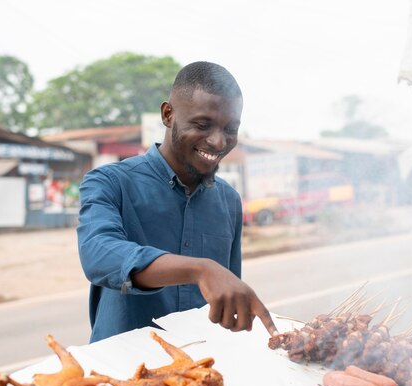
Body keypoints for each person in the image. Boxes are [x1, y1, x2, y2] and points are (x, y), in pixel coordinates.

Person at [77, 61, 278, 343]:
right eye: (202, 124)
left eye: (230, 129)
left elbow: (225, 295)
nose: (219, 142)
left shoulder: (229, 200)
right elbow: (99, 255)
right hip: (123, 375)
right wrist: (200, 269)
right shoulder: (110, 182)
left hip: (202, 372)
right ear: (168, 114)